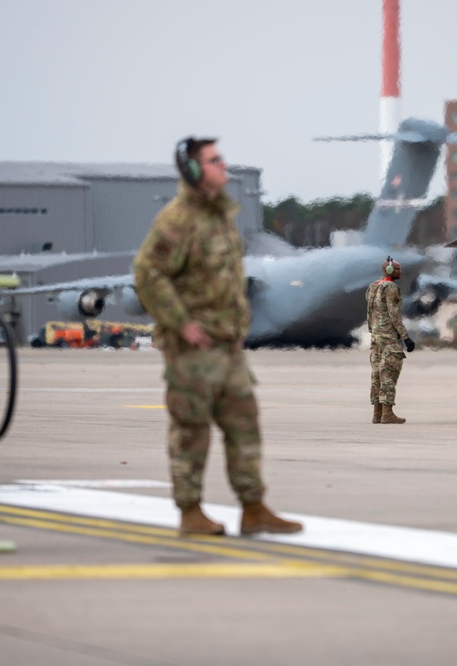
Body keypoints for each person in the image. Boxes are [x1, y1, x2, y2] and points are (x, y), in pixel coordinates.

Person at [133, 136, 302, 537]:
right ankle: (191, 511)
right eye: (214, 160)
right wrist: (180, 323)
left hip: (227, 347)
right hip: (193, 349)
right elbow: (147, 273)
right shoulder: (178, 220)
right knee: (191, 429)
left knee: (245, 425)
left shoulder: (221, 217)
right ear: (193, 171)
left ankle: (253, 507)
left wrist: (238, 328)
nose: (223, 166)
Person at [366, 256, 415, 424]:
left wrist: (373, 332)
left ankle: (377, 413)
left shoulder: (373, 287)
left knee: (377, 375)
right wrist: (406, 337)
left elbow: (369, 314)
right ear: (389, 270)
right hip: (389, 339)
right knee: (388, 374)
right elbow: (395, 315)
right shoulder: (391, 288)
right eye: (397, 269)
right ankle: (387, 413)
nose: (400, 272)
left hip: (376, 338)